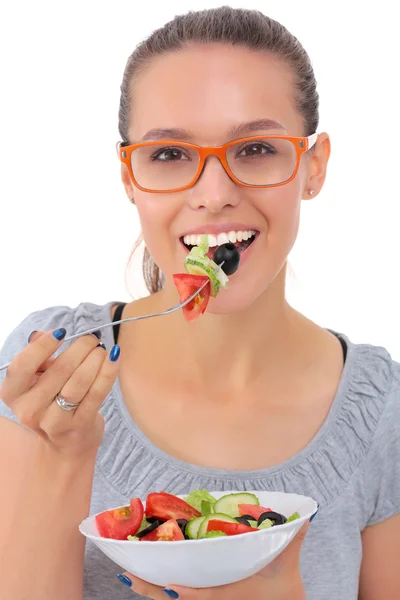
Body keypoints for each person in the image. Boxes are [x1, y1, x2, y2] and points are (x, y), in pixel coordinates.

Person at [0, 5, 399, 600]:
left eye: (256, 149)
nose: (214, 195)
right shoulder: (53, 365)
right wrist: (62, 458)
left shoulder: (381, 407)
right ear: (129, 177)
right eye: (169, 155)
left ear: (312, 168)